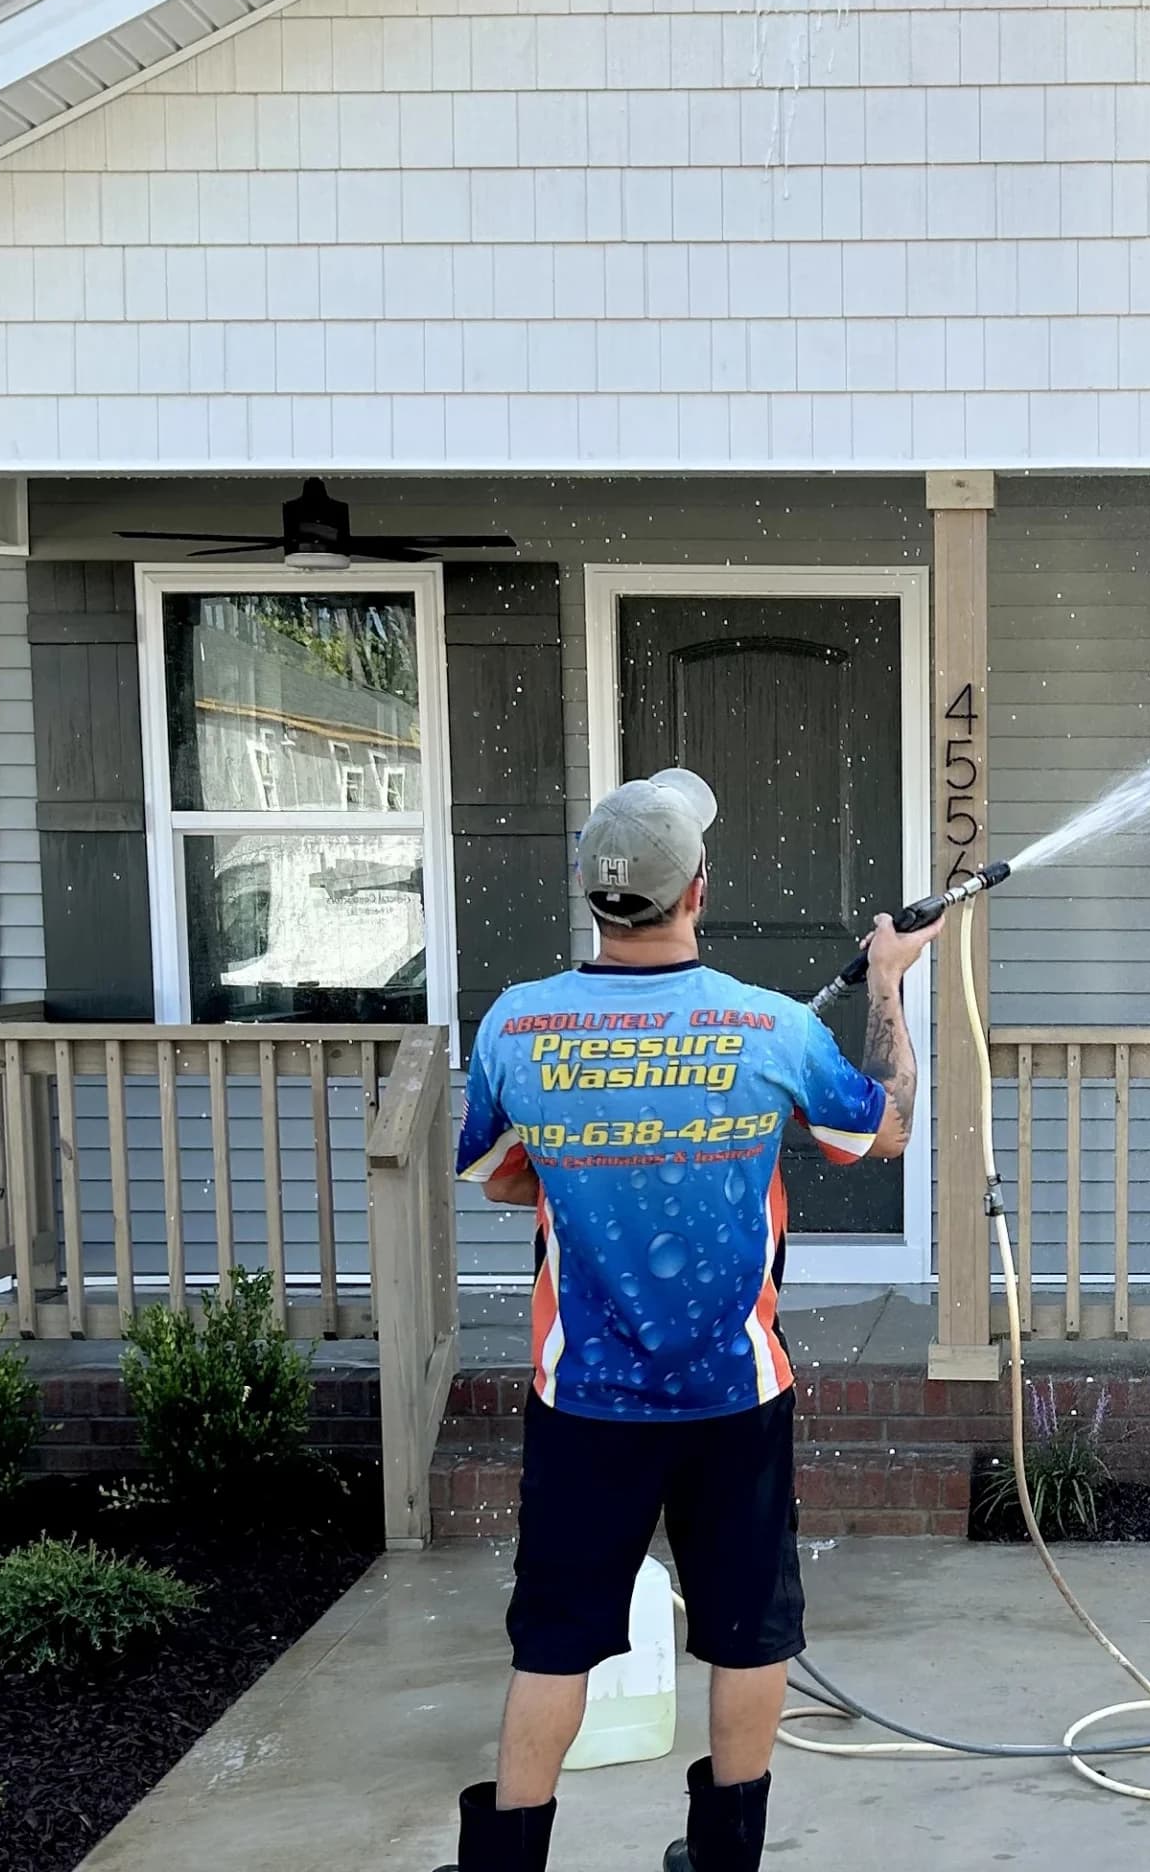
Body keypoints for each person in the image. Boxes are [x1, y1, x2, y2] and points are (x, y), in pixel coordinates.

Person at [441, 766, 939, 1872]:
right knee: (745, 1631)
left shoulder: (518, 1024)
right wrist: (892, 983)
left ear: (589, 893)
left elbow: (494, 1172)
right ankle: (723, 1859)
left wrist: (593, 1156)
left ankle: (505, 1867)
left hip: (583, 1402)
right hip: (735, 1396)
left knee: (556, 1641)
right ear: (698, 890)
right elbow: (883, 1133)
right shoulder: (766, 1028)